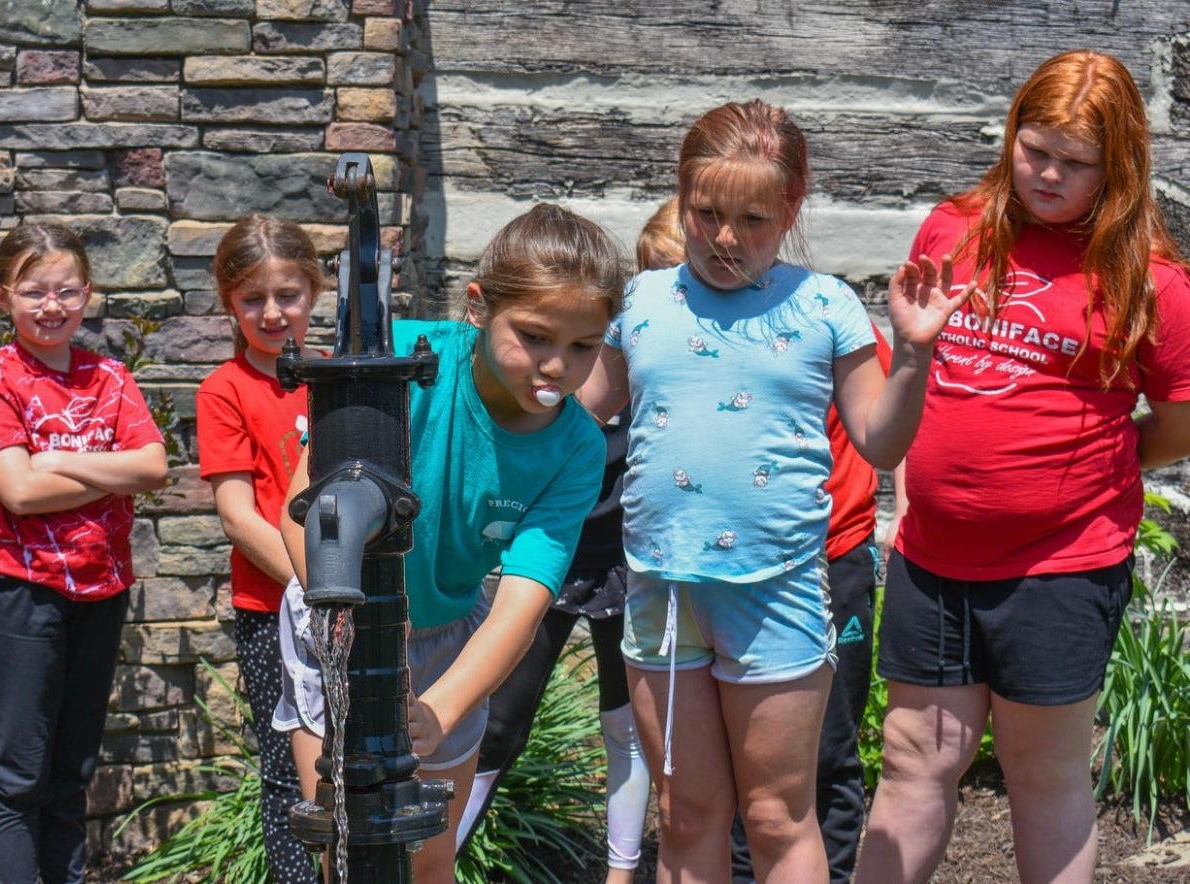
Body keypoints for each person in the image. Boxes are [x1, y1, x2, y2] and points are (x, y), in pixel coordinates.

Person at [579, 98, 972, 882]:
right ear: (682, 196)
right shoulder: (642, 302)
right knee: (685, 815)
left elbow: (881, 438)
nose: (726, 238)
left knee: (775, 815)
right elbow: (580, 417)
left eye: (754, 219)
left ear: (792, 206)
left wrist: (913, 355)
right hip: (662, 589)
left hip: (777, 593)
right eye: (706, 213)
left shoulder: (821, 304)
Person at [854, 50, 1190, 884]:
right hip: (933, 556)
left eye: (1074, 164)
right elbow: (919, 363)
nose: (1046, 174)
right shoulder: (952, 228)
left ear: (1119, 168)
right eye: (1033, 150)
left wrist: (1091, 474)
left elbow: (1179, 423)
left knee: (1043, 778)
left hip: (1060, 568)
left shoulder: (1151, 282)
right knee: (911, 765)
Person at [274, 203, 627, 883]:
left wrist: (441, 707)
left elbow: (522, 604)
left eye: (584, 346)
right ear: (477, 309)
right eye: (534, 336)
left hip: (446, 640)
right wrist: (353, 616)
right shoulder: (399, 366)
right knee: (344, 845)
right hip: (335, 619)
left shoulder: (577, 448)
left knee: (431, 849)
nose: (556, 367)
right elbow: (304, 513)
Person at [454, 202, 688, 883]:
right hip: (555, 548)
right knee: (498, 720)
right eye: (656, 274)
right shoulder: (595, 352)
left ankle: (620, 873)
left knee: (631, 725)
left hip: (632, 555)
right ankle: (439, 857)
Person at [0, 223, 169, 883]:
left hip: (102, 591)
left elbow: (153, 468)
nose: (51, 305)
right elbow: (19, 492)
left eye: (67, 290)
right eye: (33, 292)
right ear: (2, 297)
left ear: (89, 294)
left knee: (73, 770)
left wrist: (56, 457)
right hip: (24, 593)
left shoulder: (109, 377)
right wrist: (99, 466)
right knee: (21, 775)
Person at [196, 216, 324, 883]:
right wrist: (319, 588)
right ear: (229, 302)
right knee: (288, 770)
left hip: (357, 608)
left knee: (355, 768)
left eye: (288, 295)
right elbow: (238, 516)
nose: (272, 313)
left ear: (316, 290)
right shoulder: (224, 391)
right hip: (272, 604)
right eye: (253, 299)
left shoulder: (341, 378)